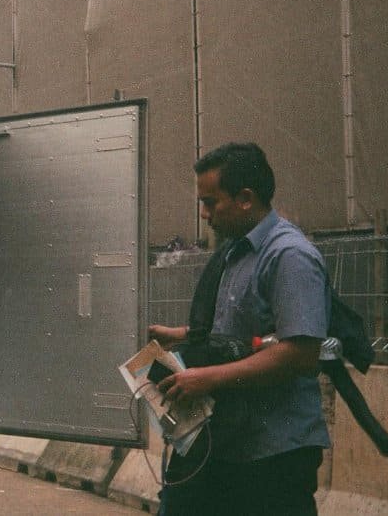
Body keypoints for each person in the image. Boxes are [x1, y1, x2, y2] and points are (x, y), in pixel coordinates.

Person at [149, 142, 331, 516]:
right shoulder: (235, 253)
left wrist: (208, 379)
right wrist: (180, 335)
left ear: (245, 198)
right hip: (232, 446)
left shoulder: (289, 256)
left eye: (212, 202)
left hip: (275, 455)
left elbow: (299, 352)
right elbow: (237, 332)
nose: (204, 214)